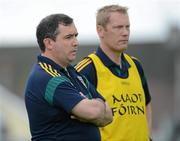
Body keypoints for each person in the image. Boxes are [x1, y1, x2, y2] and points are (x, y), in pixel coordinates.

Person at [24, 13, 113, 141]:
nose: (76, 42)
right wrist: (96, 106)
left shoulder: (72, 72)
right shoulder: (47, 77)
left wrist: (91, 109)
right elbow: (94, 112)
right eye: (68, 37)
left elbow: (109, 115)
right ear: (49, 43)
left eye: (76, 36)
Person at [75, 5, 152, 141]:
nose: (125, 33)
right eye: (118, 27)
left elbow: (146, 104)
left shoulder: (136, 65)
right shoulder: (87, 69)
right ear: (100, 30)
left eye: (127, 27)